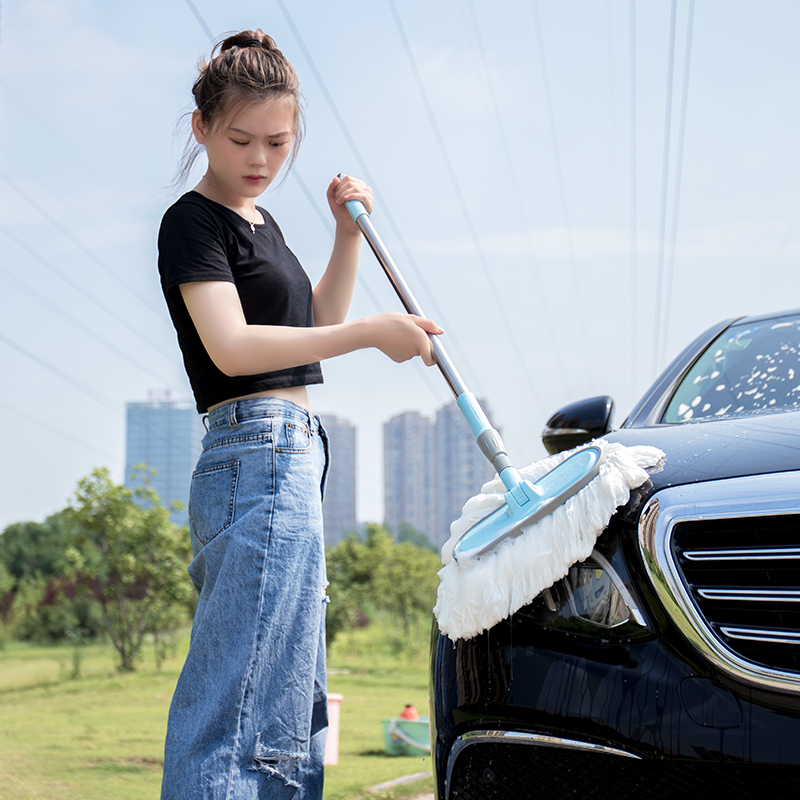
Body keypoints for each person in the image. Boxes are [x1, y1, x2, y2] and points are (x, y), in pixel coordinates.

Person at [157, 29, 441, 800]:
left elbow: (314, 316)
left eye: (279, 142)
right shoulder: (193, 222)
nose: (260, 158)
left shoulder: (263, 225)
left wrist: (347, 233)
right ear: (202, 129)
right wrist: (369, 335)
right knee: (239, 709)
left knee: (288, 707)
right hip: (254, 452)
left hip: (291, 458)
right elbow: (233, 346)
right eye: (241, 138)